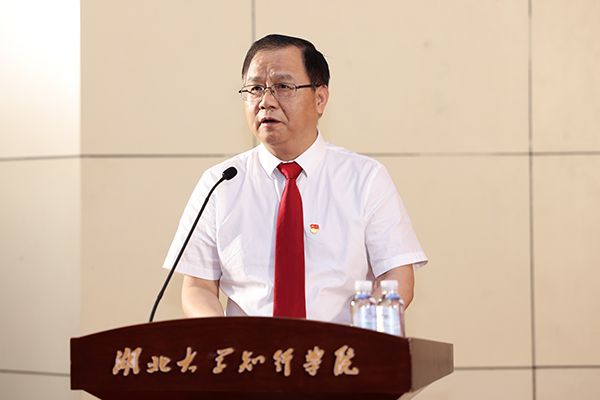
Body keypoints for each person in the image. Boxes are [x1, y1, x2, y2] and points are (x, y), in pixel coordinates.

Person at [163, 34, 427, 324]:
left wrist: (365, 335)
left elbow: (396, 274)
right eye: (255, 89)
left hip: (339, 348)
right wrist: (223, 336)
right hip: (247, 350)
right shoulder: (221, 183)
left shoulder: (364, 178)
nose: (266, 102)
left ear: (320, 98)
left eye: (283, 87)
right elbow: (198, 286)